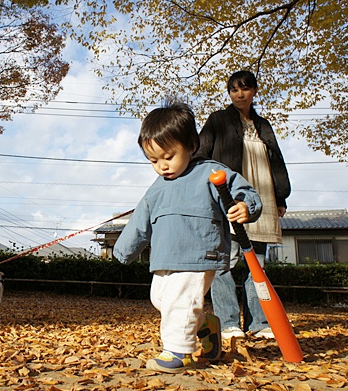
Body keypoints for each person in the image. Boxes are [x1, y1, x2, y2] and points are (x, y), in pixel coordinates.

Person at [113, 101, 262, 374]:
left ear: (191, 145)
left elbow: (243, 191)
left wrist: (245, 205)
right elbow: (139, 221)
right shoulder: (156, 189)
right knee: (161, 299)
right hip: (165, 256)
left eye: (168, 157)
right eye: (153, 160)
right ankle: (206, 326)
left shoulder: (209, 172)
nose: (161, 166)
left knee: (179, 301)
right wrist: (123, 250)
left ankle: (179, 351)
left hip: (200, 253)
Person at [197, 70, 291, 340]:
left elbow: (276, 162)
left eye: (245, 89)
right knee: (224, 262)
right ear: (229, 93)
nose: (239, 94)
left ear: (254, 92)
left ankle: (258, 323)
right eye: (234, 89)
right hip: (229, 199)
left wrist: (281, 196)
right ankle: (228, 323)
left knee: (257, 265)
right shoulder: (218, 119)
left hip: (261, 201)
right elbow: (202, 153)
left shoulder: (264, 126)